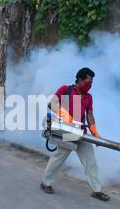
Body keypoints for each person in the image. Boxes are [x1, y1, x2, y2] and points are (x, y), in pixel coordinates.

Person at [41, 67, 110, 202]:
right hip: (67, 131)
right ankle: (46, 183)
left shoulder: (89, 97)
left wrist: (95, 132)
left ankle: (96, 190)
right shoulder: (66, 90)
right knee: (58, 158)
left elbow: (89, 115)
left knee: (91, 162)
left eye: (92, 83)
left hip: (82, 133)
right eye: (88, 82)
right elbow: (51, 104)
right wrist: (65, 115)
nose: (90, 86)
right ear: (79, 80)